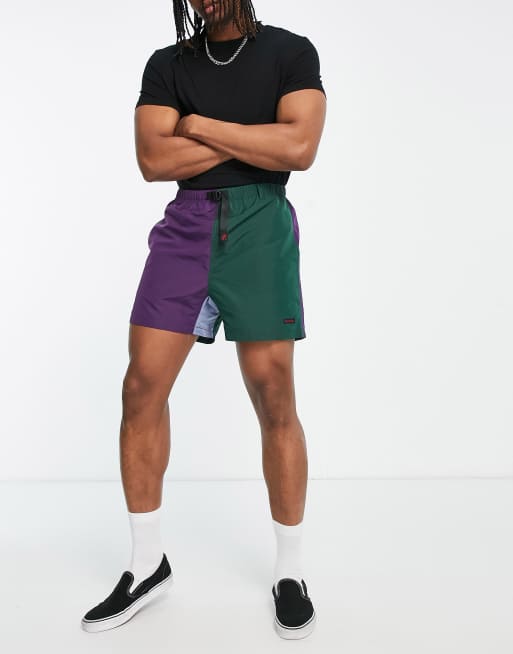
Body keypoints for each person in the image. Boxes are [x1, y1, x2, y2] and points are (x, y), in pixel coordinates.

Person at [80, 0, 326, 640]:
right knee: (141, 388)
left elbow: (298, 148)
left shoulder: (290, 51)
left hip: (260, 225)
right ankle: (146, 565)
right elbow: (153, 162)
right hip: (185, 229)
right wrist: (254, 138)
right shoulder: (168, 64)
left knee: (274, 392)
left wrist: (197, 125)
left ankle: (290, 573)